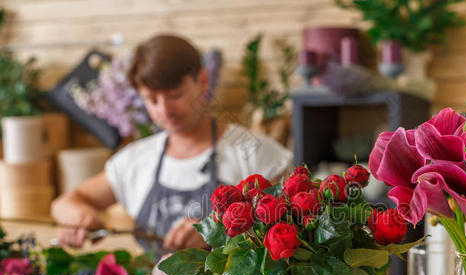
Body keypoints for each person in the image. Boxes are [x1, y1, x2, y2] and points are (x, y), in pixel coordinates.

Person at [51, 34, 293, 252]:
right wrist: (79, 216)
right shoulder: (135, 161)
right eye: (152, 99)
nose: (164, 110)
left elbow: (296, 224)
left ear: (202, 81)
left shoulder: (255, 153)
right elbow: (65, 202)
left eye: (175, 95)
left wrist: (217, 228)